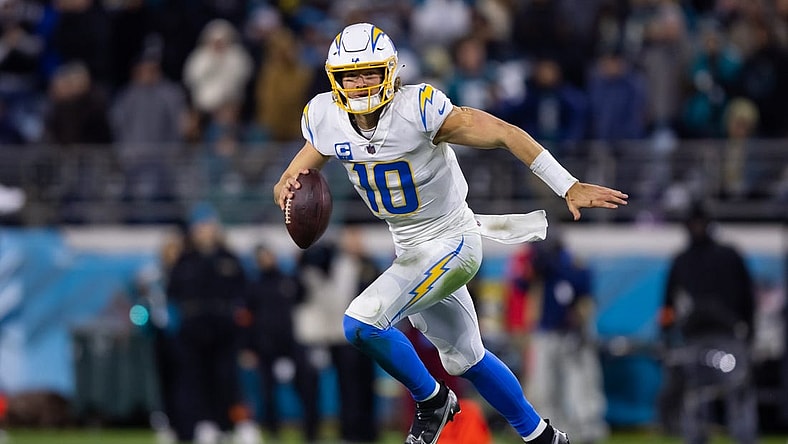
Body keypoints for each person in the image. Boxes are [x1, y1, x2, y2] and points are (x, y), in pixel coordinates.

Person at [273, 23, 628, 444]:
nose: (361, 82)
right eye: (352, 75)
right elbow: (297, 171)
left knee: (360, 323)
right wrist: (285, 187)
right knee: (466, 358)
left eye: (369, 71)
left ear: (390, 72)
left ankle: (433, 401)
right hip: (408, 246)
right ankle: (544, 436)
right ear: (337, 80)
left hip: (451, 239)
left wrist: (567, 184)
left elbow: (503, 133)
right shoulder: (327, 117)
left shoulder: (418, 109)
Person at [659, 204, 758, 444]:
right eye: (693, 223)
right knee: (695, 396)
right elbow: (668, 303)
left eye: (700, 222)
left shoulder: (728, 255)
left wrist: (750, 332)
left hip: (728, 337)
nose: (696, 228)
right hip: (695, 339)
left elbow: (747, 296)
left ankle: (745, 439)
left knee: (738, 391)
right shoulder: (681, 261)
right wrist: (666, 335)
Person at [165, 203, 252, 444]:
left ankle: (228, 425)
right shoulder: (185, 260)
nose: (205, 231)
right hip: (193, 329)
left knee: (226, 379)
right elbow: (173, 294)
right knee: (195, 380)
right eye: (201, 226)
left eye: (209, 225)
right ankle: (202, 425)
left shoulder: (229, 258)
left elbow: (243, 295)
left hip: (223, 328)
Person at [512, 233, 608, 444]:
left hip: (574, 333)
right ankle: (552, 432)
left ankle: (587, 431)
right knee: (545, 387)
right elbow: (520, 283)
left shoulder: (573, 266)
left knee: (581, 386)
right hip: (546, 333)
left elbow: (584, 295)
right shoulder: (540, 267)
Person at [242, 244, 320, 442]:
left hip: (292, 343)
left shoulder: (288, 280)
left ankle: (311, 432)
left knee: (307, 388)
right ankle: (272, 431)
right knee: (267, 393)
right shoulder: (254, 285)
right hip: (265, 346)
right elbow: (247, 319)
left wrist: (300, 265)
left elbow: (305, 295)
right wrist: (249, 347)